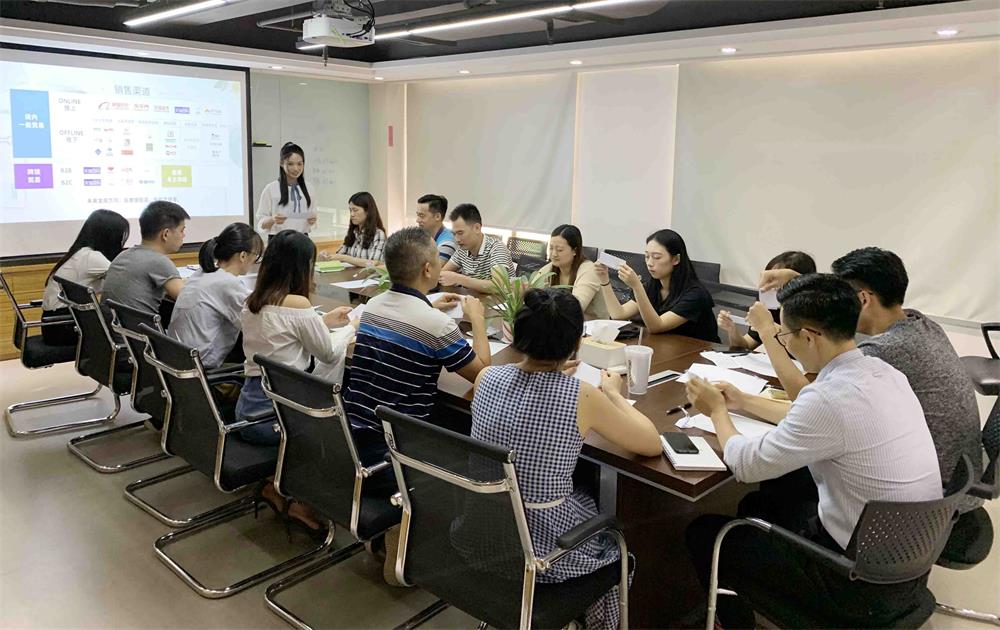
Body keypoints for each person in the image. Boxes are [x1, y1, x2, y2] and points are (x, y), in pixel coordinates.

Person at [684, 274, 942, 629]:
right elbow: (813, 418)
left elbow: (745, 464)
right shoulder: (884, 373)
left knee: (704, 533)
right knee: (763, 502)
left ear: (808, 336)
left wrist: (717, 412)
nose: (785, 342)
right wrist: (743, 401)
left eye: (785, 335)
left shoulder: (828, 398)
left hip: (855, 583)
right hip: (906, 562)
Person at [457, 288, 661, 630]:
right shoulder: (581, 395)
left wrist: (550, 376)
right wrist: (613, 394)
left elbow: (522, 408)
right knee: (612, 534)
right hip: (545, 554)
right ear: (576, 344)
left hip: (482, 534)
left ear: (518, 333)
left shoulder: (487, 377)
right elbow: (651, 443)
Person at [236, 230, 355, 537]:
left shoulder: (253, 300)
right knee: (334, 425)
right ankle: (302, 503)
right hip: (276, 416)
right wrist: (352, 328)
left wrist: (322, 322)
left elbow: (281, 335)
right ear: (302, 266)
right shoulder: (298, 304)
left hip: (249, 408)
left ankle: (272, 486)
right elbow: (328, 353)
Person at [343, 226, 491, 438]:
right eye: (438, 258)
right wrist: (477, 319)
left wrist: (428, 307)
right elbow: (483, 376)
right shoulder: (437, 325)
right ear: (428, 270)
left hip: (352, 429)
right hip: (396, 442)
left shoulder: (373, 305)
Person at [167, 223, 263, 371]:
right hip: (201, 366)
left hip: (177, 361)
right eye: (256, 256)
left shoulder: (201, 273)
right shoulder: (227, 283)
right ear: (243, 255)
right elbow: (258, 322)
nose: (255, 262)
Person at [595, 229, 719, 341]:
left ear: (676, 259)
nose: (649, 263)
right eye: (647, 256)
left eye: (656, 257)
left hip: (697, 352)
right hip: (666, 347)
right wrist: (604, 279)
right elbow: (618, 315)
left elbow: (656, 327)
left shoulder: (696, 294)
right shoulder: (652, 285)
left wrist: (637, 287)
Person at [41, 209, 130, 346]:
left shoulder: (81, 253)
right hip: (66, 325)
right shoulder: (91, 257)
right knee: (128, 330)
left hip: (55, 325)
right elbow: (128, 279)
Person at [102, 200, 189, 318]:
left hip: (113, 328)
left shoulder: (124, 255)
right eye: (182, 230)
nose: (183, 235)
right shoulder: (158, 261)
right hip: (141, 329)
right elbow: (188, 300)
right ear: (166, 234)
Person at [717, 251, 815, 350]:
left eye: (775, 279)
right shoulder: (768, 306)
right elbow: (746, 345)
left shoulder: (812, 310)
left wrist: (768, 327)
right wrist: (732, 330)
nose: (770, 285)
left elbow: (803, 350)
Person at [439, 203, 515, 293]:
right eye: (454, 234)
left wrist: (459, 279)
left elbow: (498, 286)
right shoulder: (462, 250)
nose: (457, 239)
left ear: (477, 228)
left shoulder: (497, 248)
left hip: (499, 301)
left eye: (460, 233)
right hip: (474, 298)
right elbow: (442, 274)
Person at [538, 224, 609, 319]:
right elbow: (534, 293)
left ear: (574, 251)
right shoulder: (549, 269)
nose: (554, 254)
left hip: (592, 325)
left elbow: (576, 308)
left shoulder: (589, 271)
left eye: (559, 250)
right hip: (561, 323)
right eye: (551, 248)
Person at [256, 142, 316, 237]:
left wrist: (312, 220)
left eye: (299, 164)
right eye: (290, 164)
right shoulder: (271, 189)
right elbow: (261, 223)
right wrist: (273, 219)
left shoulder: (309, 188)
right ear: (281, 163)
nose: (296, 168)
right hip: (278, 240)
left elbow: (312, 218)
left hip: (302, 239)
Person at [324, 191, 387, 267]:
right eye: (350, 210)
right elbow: (339, 255)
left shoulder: (378, 234)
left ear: (368, 211)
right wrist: (327, 256)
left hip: (367, 275)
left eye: (355, 210)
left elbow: (374, 263)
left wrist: (345, 258)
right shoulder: (354, 232)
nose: (352, 214)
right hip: (351, 274)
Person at [415, 194, 456, 262]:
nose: (417, 220)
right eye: (417, 215)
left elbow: (433, 268)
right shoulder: (425, 237)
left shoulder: (447, 244)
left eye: (422, 216)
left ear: (437, 217)